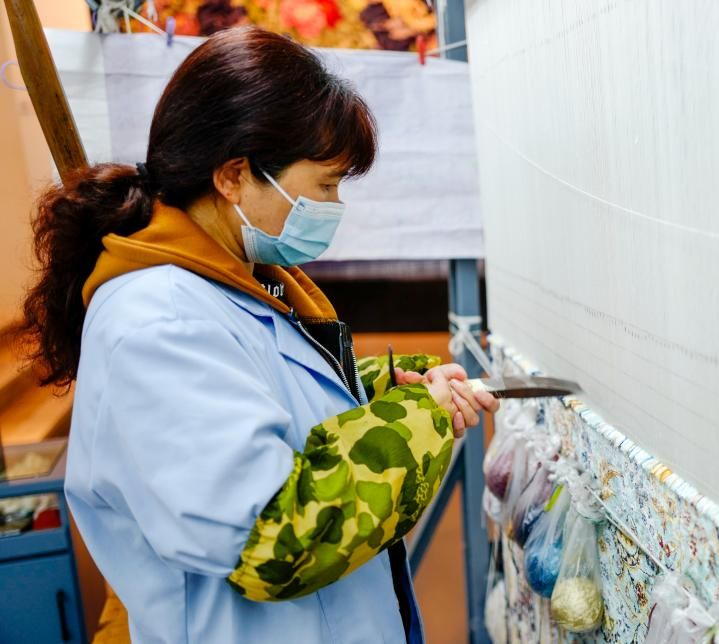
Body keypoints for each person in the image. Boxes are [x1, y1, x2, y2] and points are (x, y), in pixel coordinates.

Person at [16, 26, 498, 643]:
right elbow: (276, 533)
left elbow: (262, 399)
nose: (334, 207)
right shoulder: (159, 323)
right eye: (325, 185)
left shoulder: (236, 285)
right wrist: (416, 420)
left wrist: (378, 391)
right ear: (235, 176)